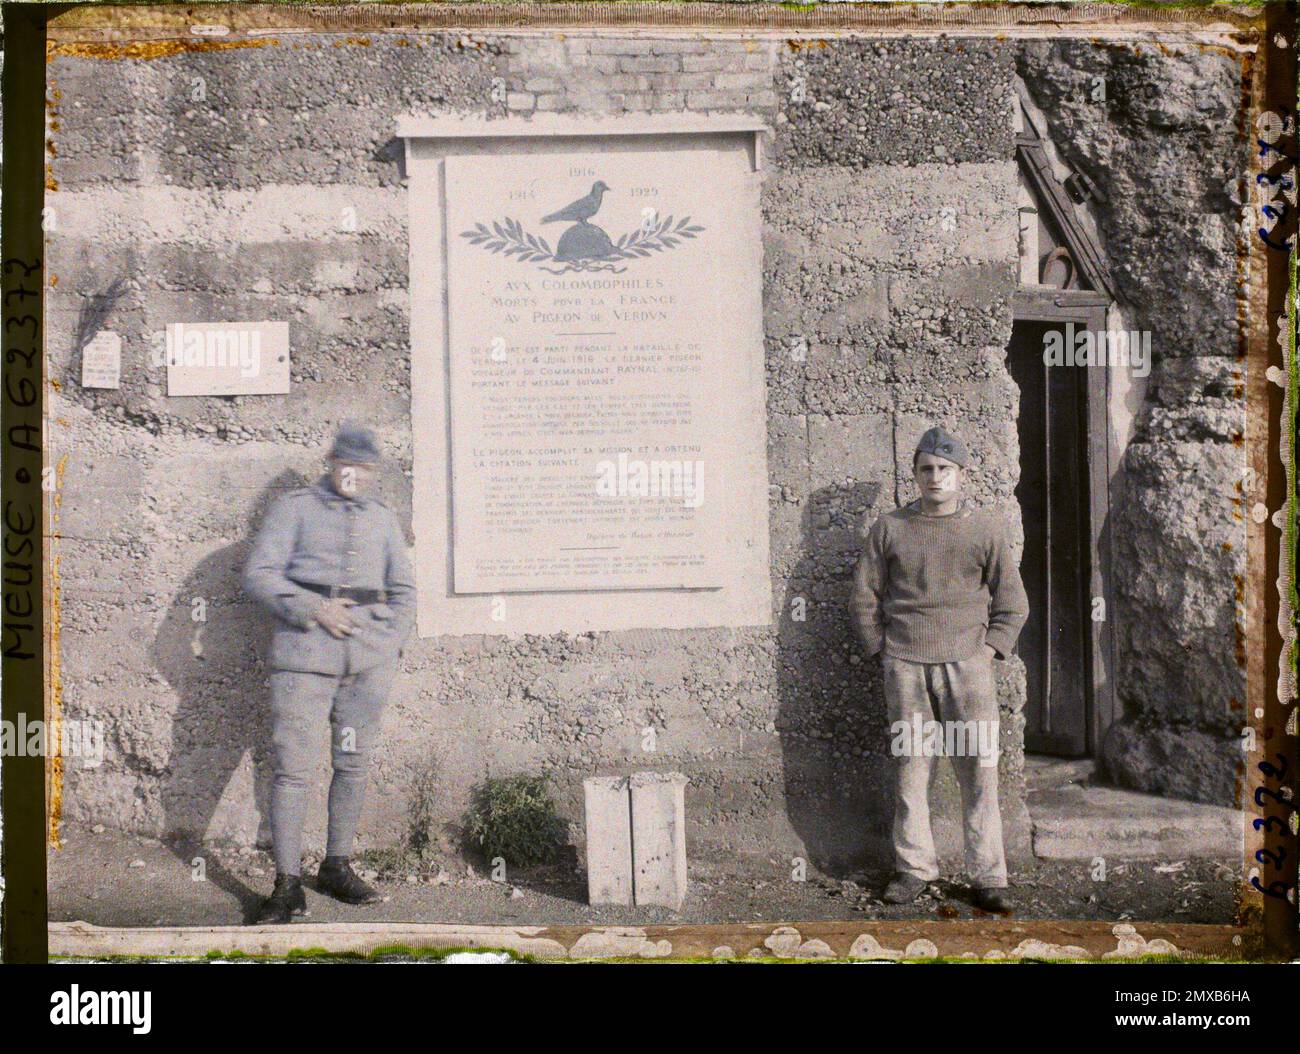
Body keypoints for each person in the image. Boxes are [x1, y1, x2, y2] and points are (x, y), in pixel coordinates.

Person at [850, 425, 1029, 912]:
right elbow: (864, 597)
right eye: (926, 469)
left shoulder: (984, 530)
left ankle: (989, 875)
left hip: (967, 671)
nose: (935, 477)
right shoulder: (890, 528)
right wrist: (880, 652)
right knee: (911, 770)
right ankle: (914, 869)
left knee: (978, 771)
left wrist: (988, 651)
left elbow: (1013, 603)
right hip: (906, 669)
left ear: (961, 474)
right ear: (914, 474)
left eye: (944, 469)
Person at [243, 423, 415, 924]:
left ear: (373, 472)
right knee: (294, 770)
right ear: (330, 463)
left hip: (365, 666)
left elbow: (404, 592)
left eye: (363, 468)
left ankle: (336, 867)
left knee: (353, 763)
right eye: (345, 465)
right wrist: (314, 608)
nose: (352, 475)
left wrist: (386, 644)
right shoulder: (294, 509)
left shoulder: (383, 521)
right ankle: (286, 884)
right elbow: (259, 574)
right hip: (303, 660)